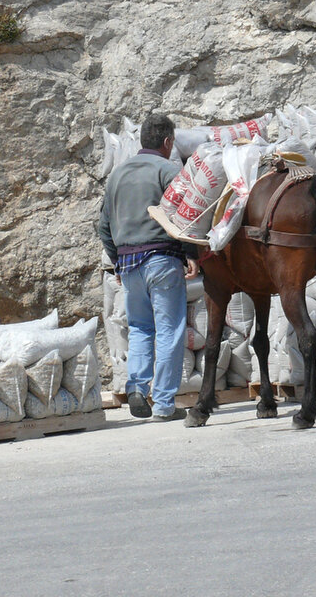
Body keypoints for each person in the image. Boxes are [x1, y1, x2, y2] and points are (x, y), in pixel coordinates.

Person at [97, 114, 199, 420]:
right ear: (168, 142)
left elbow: (102, 225)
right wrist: (191, 253)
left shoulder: (116, 175)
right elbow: (186, 213)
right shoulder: (169, 170)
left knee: (140, 327)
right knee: (169, 331)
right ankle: (165, 405)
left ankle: (138, 388)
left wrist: (116, 260)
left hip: (128, 264)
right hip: (162, 260)